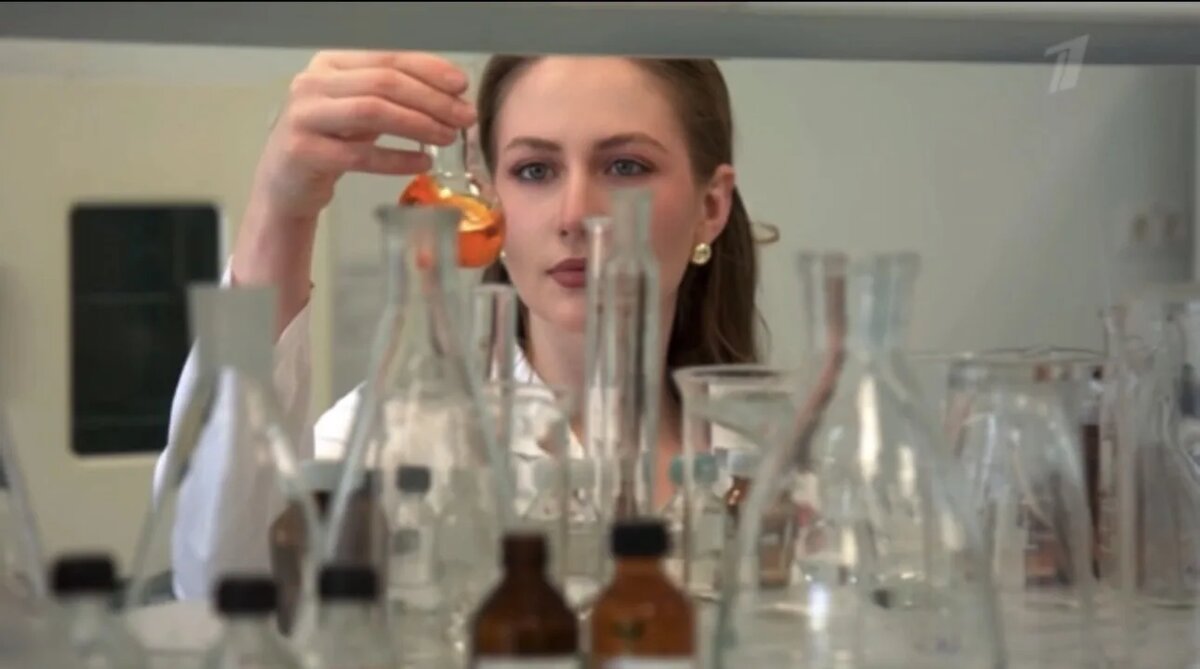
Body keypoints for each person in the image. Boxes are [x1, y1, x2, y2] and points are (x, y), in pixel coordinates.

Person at [154, 50, 771, 602]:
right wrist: (281, 208)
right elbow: (221, 582)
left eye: (626, 166)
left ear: (711, 206)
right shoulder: (397, 437)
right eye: (535, 170)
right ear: (489, 196)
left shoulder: (773, 465)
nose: (574, 214)